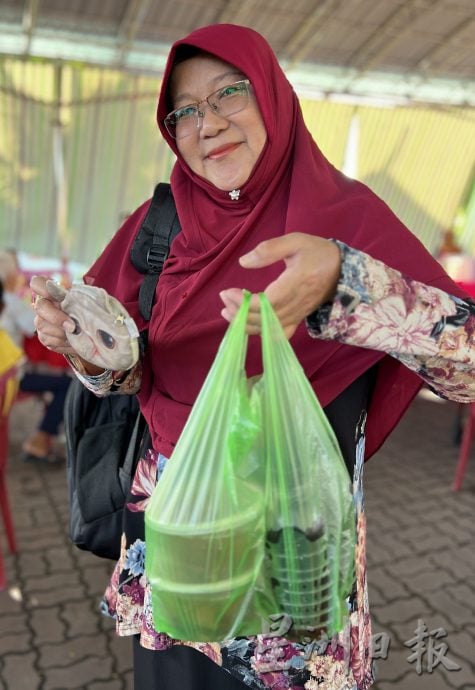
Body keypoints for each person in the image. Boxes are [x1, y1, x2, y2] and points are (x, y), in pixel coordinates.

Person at [30, 23, 475, 690]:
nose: (207, 123)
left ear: (272, 96)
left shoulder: (349, 221)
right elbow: (125, 374)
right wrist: (81, 345)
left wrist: (343, 284)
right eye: (184, 110)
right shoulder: (157, 226)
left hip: (296, 556)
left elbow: (465, 366)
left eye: (228, 93)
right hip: (174, 549)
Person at [0, 251, 72, 463]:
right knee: (67, 384)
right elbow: (37, 327)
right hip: (10, 378)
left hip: (10, 373)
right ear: (10, 276)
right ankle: (39, 441)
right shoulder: (10, 302)